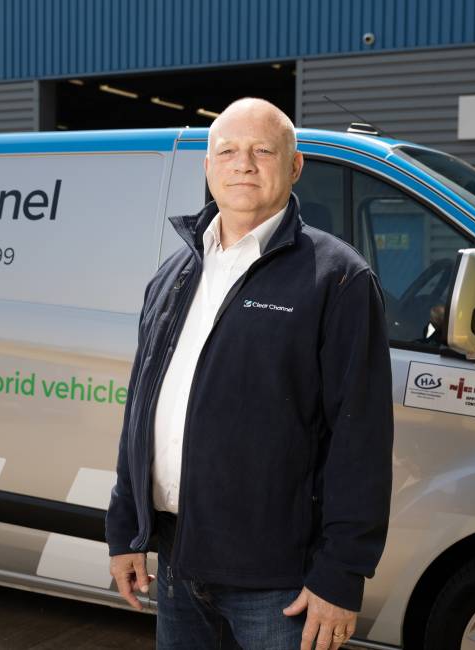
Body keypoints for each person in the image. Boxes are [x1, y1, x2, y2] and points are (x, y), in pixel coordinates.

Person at [106, 97, 394, 650]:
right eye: (228, 151)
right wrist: (125, 528)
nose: (244, 164)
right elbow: (140, 410)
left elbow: (361, 438)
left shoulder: (335, 278)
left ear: (294, 166)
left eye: (263, 150)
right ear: (208, 166)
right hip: (177, 562)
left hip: (279, 580)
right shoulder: (175, 274)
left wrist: (341, 574)